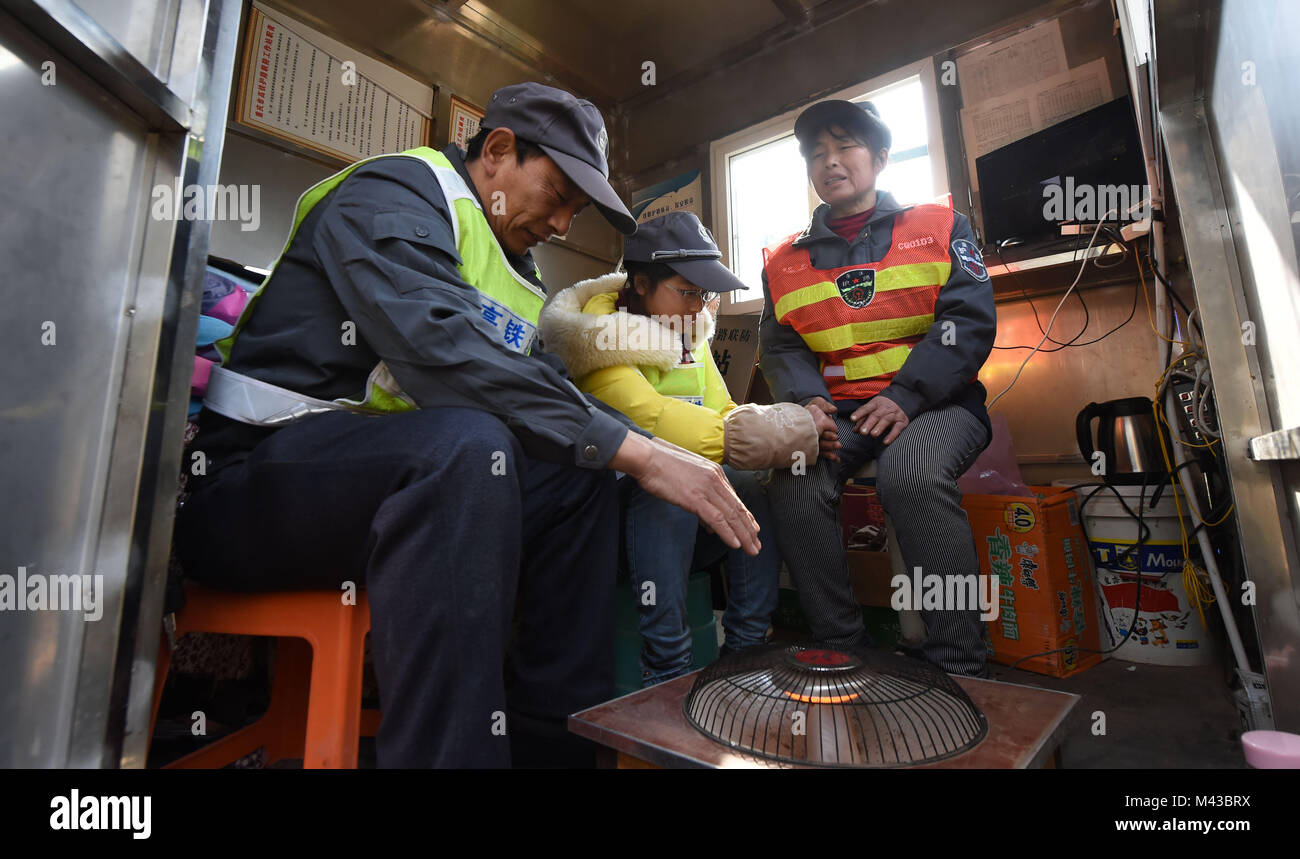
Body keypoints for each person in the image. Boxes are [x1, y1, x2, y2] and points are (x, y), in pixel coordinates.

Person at [174, 82, 761, 768]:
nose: (565, 224)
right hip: (248, 490)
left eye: (577, 209)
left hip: (382, 500)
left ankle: (553, 751)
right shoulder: (393, 193)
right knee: (465, 447)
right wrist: (645, 454)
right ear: (500, 150)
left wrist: (652, 453)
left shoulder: (518, 273)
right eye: (560, 194)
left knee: (581, 474)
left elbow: (547, 393)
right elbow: (441, 350)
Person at [760, 99, 997, 677]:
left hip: (936, 405)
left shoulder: (940, 227)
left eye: (845, 147)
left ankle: (960, 659)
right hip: (841, 412)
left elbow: (967, 322)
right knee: (792, 477)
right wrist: (807, 400)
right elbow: (783, 344)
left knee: (910, 471)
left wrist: (907, 394)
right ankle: (843, 647)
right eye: (817, 153)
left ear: (881, 157)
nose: (830, 162)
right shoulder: (783, 261)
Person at [539, 212, 823, 685]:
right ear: (643, 283)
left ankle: (746, 649)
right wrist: (769, 434)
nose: (698, 307)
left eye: (705, 294)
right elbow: (649, 419)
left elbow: (725, 407)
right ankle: (666, 667)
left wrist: (772, 431)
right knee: (672, 481)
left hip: (682, 511)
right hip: (609, 516)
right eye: (687, 291)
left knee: (754, 481)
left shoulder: (691, 333)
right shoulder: (595, 336)